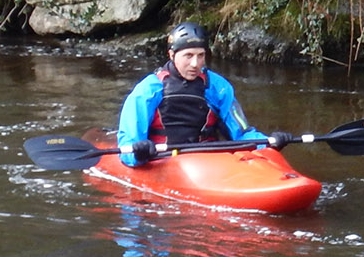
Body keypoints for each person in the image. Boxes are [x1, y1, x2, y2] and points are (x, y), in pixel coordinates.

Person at [117, 22, 274, 167]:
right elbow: (128, 146)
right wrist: (138, 153)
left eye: (201, 55)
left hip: (209, 161)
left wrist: (268, 143)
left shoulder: (217, 87)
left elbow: (242, 134)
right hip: (163, 159)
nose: (195, 64)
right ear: (171, 55)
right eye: (189, 55)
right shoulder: (148, 90)